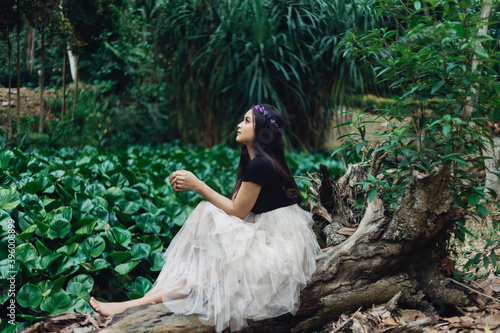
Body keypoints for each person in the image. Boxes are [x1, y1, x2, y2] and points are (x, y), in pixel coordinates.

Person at [90, 104, 320, 332]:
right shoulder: (256, 162)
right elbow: (240, 212)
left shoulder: (260, 165)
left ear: (261, 130)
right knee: (205, 271)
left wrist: (197, 184)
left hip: (278, 252)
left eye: (247, 121)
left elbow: (237, 212)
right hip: (270, 237)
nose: (239, 125)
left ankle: (132, 304)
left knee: (205, 214)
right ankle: (134, 304)